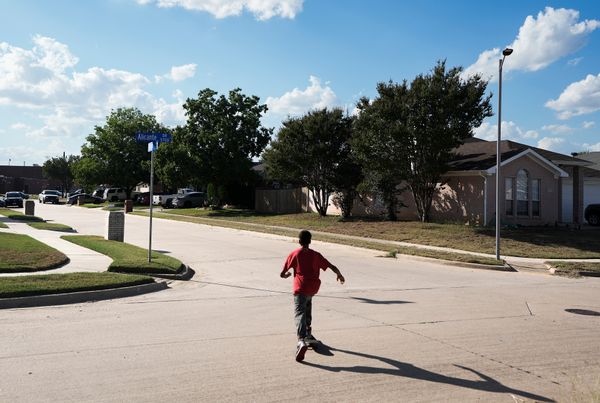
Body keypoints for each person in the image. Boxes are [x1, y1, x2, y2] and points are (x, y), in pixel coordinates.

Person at [280, 230, 345, 362]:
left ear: (299, 241)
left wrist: (286, 275)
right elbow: (331, 266)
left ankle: (301, 340)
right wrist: (339, 274)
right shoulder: (316, 255)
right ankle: (308, 332)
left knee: (299, 313)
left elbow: (282, 273)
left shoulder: (294, 254)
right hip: (313, 288)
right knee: (307, 307)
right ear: (310, 241)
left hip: (301, 288)